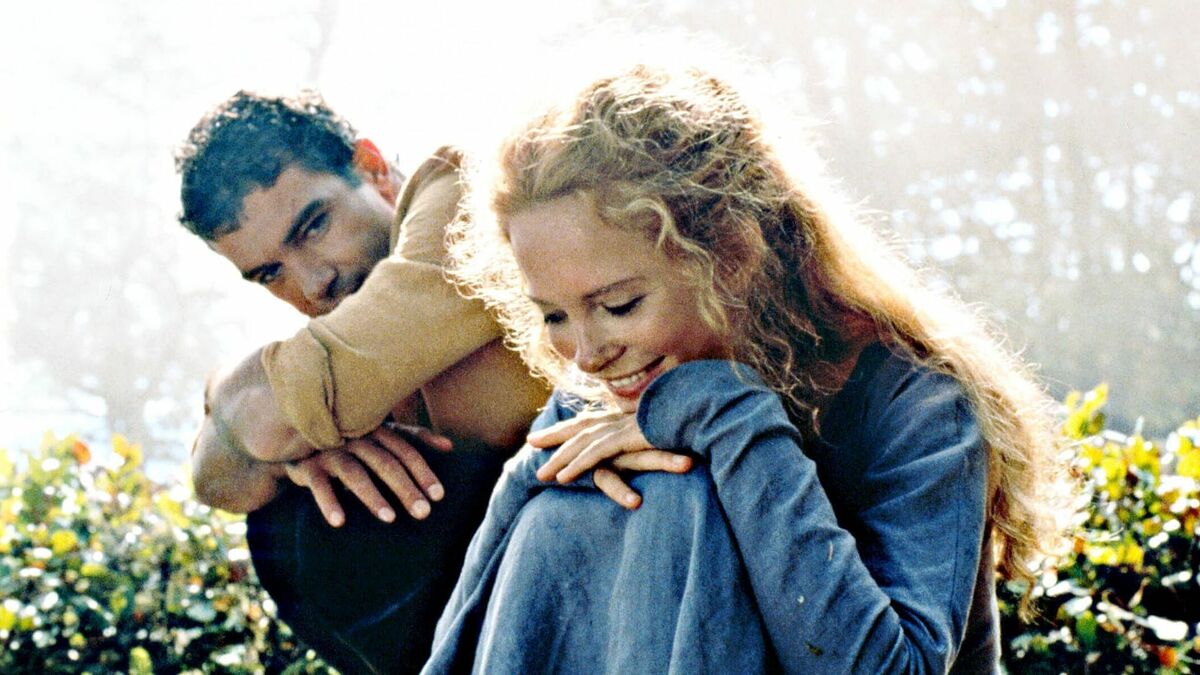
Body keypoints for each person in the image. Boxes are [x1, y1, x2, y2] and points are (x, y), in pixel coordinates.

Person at [426, 65, 1076, 673]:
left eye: (618, 305)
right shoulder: (605, 395)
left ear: (732, 252)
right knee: (564, 503)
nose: (588, 354)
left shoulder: (916, 401)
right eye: (555, 316)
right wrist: (526, 478)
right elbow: (473, 628)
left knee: (681, 494)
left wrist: (723, 410)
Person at [174, 90, 559, 673]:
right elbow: (217, 482)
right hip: (530, 590)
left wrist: (240, 408)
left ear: (371, 166)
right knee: (289, 520)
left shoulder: (470, 196)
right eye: (269, 273)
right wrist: (290, 453)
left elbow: (271, 411)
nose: (312, 283)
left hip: (656, 516)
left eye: (312, 227)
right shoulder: (350, 331)